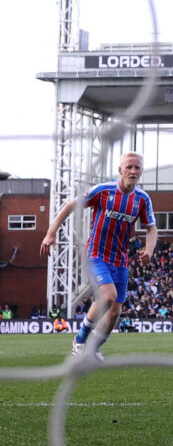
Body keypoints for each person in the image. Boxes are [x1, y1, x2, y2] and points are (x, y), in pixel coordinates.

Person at [39, 152, 157, 360]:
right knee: (108, 296)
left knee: (115, 312)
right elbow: (69, 206)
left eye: (137, 168)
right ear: (120, 170)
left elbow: (151, 228)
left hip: (120, 260)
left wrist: (149, 250)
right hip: (96, 254)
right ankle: (80, 340)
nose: (133, 171)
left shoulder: (142, 199)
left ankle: (94, 348)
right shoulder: (103, 191)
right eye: (129, 167)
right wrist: (50, 234)